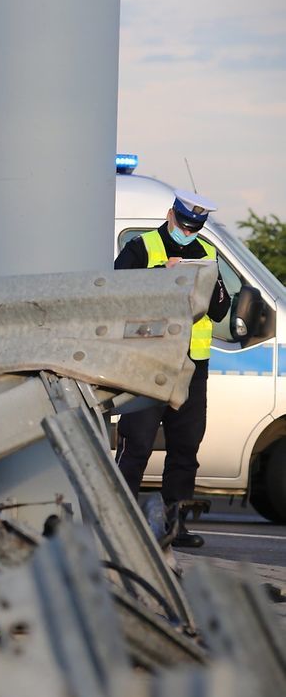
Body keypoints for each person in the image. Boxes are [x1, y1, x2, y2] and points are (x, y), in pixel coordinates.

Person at [114, 189, 230, 548]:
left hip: (192, 367)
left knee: (185, 448)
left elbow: (220, 310)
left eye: (195, 227)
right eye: (183, 224)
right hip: (148, 361)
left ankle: (172, 526)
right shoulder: (141, 247)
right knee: (137, 446)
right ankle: (120, 524)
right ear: (170, 215)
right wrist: (160, 276)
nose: (188, 232)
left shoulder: (207, 254)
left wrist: (205, 285)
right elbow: (116, 293)